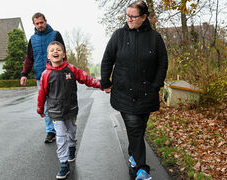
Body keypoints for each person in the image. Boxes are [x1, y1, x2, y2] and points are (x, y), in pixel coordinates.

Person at [100, 1, 168, 180]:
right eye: (127, 15)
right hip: (124, 92)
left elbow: (162, 63)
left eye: (133, 16)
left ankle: (133, 154)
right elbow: (107, 59)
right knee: (135, 127)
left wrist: (156, 85)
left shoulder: (155, 38)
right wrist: (105, 82)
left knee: (139, 128)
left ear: (144, 17)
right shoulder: (118, 35)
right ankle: (142, 169)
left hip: (147, 93)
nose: (129, 19)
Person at [37, 41, 102, 179]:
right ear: (48, 56)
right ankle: (64, 164)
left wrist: (101, 85)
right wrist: (40, 108)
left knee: (71, 131)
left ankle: (72, 147)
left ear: (63, 54)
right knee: (60, 136)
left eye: (58, 50)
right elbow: (42, 93)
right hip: (55, 112)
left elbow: (86, 79)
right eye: (52, 50)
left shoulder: (71, 69)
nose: (56, 52)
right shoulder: (45, 74)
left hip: (71, 109)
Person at [20, 12, 66, 143]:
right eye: (37, 23)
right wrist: (24, 74)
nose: (40, 25)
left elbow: (63, 53)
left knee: (59, 101)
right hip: (41, 76)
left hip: (57, 74)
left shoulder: (55, 34)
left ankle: (62, 128)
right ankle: (51, 131)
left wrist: (65, 70)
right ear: (34, 24)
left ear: (45, 21)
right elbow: (29, 58)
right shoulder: (32, 39)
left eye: (41, 22)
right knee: (45, 105)